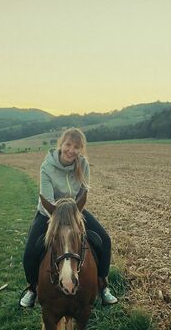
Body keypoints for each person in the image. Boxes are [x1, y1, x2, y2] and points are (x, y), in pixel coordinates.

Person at [20, 127, 118, 308]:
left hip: (74, 212)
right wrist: (61, 215)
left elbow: (83, 192)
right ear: (61, 145)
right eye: (68, 145)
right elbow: (47, 199)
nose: (71, 150)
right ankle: (32, 289)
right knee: (30, 251)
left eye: (76, 147)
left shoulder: (83, 164)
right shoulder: (47, 167)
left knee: (104, 240)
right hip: (49, 212)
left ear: (81, 149)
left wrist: (75, 213)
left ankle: (103, 286)